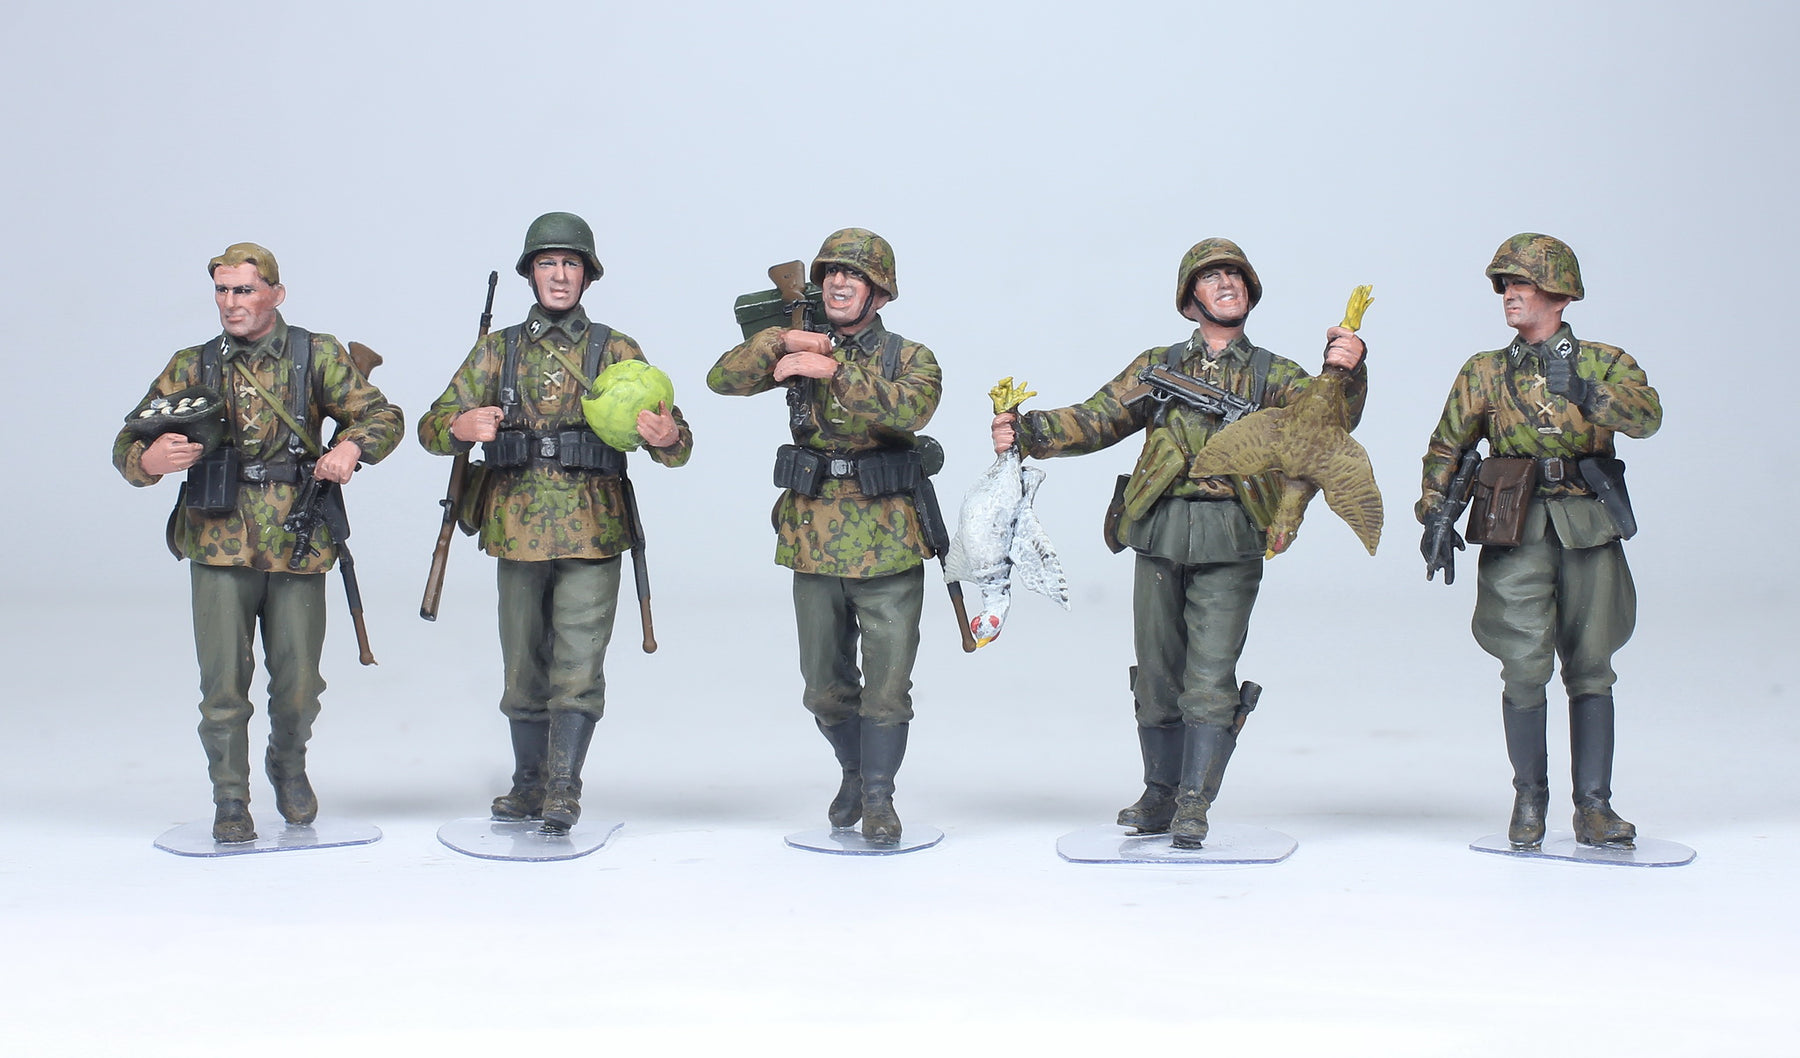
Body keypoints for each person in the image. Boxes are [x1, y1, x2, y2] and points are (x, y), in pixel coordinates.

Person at [991, 238, 1367, 848]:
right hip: (1159, 529)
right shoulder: (1159, 364)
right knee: (1157, 674)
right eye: (1212, 277)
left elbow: (1326, 427)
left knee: (1210, 676)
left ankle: (1195, 800)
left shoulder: (1273, 374)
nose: (1227, 284)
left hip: (1231, 532)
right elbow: (1099, 417)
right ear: (1190, 297)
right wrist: (1026, 430)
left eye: (1235, 275)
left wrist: (1347, 373)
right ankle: (1160, 792)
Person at [113, 242, 403, 843]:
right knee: (222, 685)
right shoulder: (193, 363)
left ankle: (288, 764)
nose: (230, 302)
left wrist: (351, 447)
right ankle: (230, 797)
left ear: (276, 293)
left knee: (300, 684)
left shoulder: (315, 354)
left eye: (243, 290)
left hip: (298, 539)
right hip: (218, 537)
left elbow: (381, 414)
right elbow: (129, 440)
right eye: (222, 290)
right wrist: (150, 458)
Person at [419, 212, 692, 833]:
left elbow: (677, 442)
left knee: (578, 662)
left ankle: (564, 786)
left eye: (571, 264)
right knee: (522, 665)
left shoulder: (615, 349)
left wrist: (666, 435)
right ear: (531, 274)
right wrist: (460, 426)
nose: (560, 275)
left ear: (587, 275)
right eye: (548, 263)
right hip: (515, 526)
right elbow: (433, 424)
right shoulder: (499, 350)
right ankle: (529, 782)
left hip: (593, 527)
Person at [1418, 233, 1661, 850]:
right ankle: (1530, 798)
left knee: (1592, 664)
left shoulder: (1601, 361)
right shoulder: (1485, 371)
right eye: (1505, 284)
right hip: (1514, 524)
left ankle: (1594, 807)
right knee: (1523, 667)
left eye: (1521, 283)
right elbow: (1447, 446)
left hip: (1587, 523)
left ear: (1559, 294)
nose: (1509, 294)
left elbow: (1648, 417)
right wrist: (1436, 515)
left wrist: (1585, 391)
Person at [708, 228, 942, 845]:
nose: (839, 282)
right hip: (812, 536)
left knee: (887, 689)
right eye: (831, 272)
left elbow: (911, 410)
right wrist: (780, 342)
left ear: (880, 293)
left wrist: (834, 373)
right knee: (823, 689)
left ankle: (879, 798)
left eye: (854, 275)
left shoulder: (910, 357)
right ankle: (855, 772)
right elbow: (721, 380)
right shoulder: (798, 337)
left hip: (888, 539)